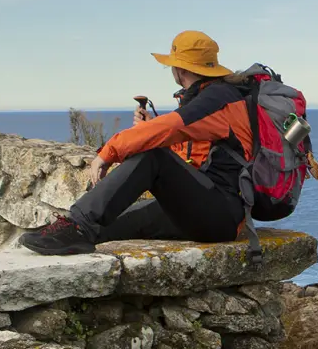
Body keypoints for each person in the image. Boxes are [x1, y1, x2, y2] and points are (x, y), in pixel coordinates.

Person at [20, 30, 254, 255]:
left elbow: (170, 129)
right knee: (110, 225)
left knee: (152, 155)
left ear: (180, 68)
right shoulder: (211, 96)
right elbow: (191, 152)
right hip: (205, 205)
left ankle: (79, 224)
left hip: (220, 215)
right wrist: (148, 127)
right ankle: (71, 231)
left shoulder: (217, 99)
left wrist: (108, 152)